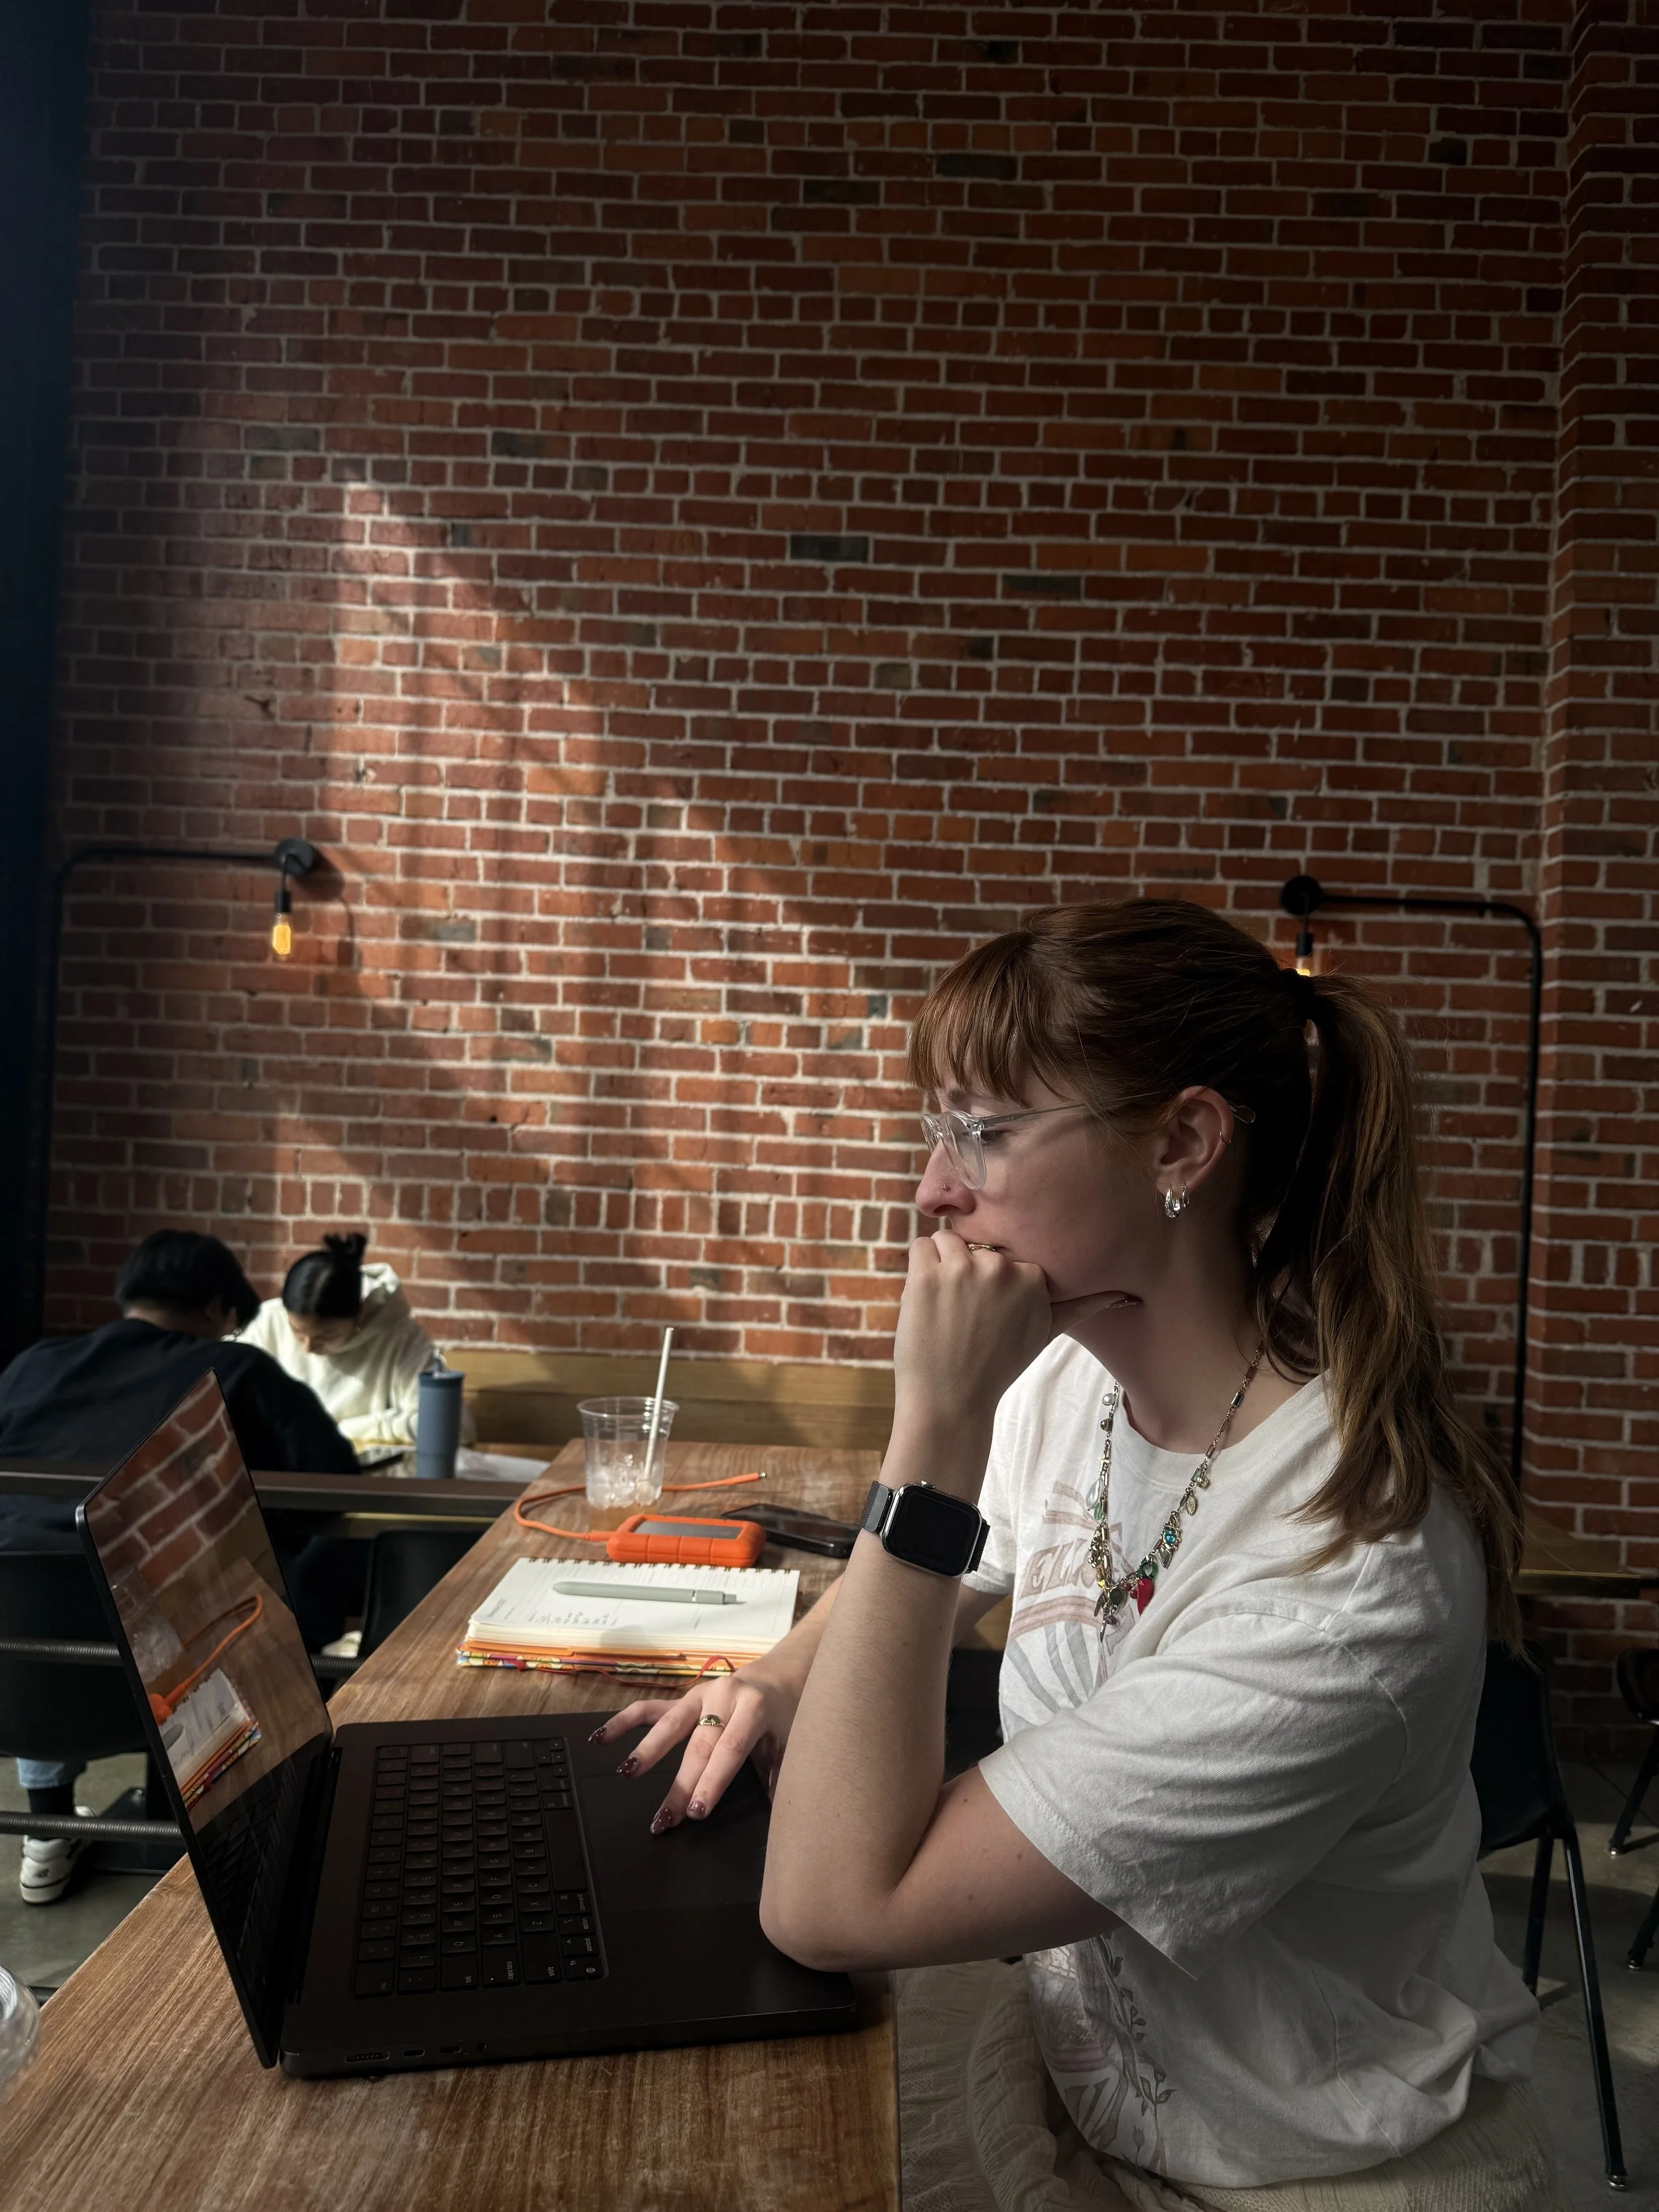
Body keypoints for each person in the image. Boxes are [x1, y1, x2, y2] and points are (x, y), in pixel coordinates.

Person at [593, 901, 1561, 2212]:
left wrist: (927, 1434)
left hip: (1302, 2167)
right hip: (1089, 2088)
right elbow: (958, 1570)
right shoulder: (1067, 1381)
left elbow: (834, 1906)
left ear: (1180, 1140)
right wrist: (773, 1681)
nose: (933, 1187)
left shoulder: (1342, 1581)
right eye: (935, 1130)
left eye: (984, 1132)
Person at [0, 1229, 357, 1905]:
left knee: (34, 1569)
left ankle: (46, 1823)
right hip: (158, 1685)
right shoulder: (233, 1370)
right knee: (183, 1587)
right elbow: (332, 1487)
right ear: (218, 1311)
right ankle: (205, 1839)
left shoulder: (33, 1365)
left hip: (14, 1673)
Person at [239, 1232, 474, 1452]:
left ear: (360, 1313)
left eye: (326, 1336)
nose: (308, 1347)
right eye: (297, 1332)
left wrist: (343, 1430)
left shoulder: (400, 1337)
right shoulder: (269, 1321)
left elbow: (452, 1428)